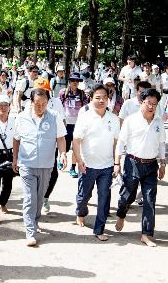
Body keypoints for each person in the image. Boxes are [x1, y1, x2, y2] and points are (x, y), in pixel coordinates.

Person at [12, 88, 68, 246]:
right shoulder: (22, 117)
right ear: (31, 102)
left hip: (46, 165)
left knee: (39, 197)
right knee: (30, 198)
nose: (41, 107)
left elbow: (61, 138)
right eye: (37, 104)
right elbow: (16, 139)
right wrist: (15, 158)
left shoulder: (54, 117)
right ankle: (30, 231)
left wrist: (63, 154)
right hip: (27, 164)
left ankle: (35, 221)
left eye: (44, 104)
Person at [113, 88, 166, 247]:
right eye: (148, 103)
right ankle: (121, 215)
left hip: (151, 165)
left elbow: (162, 144)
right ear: (141, 102)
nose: (151, 106)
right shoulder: (131, 120)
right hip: (133, 163)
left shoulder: (158, 122)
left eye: (154, 104)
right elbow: (121, 142)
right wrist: (117, 163)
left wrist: (163, 163)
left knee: (149, 199)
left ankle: (146, 234)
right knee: (127, 195)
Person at [73, 84, 120, 241]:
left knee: (104, 198)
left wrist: (117, 162)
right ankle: (81, 212)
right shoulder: (85, 117)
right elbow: (76, 140)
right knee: (83, 196)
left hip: (107, 166)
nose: (101, 101)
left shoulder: (113, 119)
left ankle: (99, 229)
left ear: (108, 99)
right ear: (91, 99)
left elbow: (117, 143)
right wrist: (79, 160)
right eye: (97, 98)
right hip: (87, 165)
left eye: (104, 98)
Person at [0, 94, 17, 224]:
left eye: (6, 105)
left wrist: (17, 156)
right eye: (1, 105)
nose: (4, 108)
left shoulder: (14, 121)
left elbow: (18, 139)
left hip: (9, 154)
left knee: (8, 184)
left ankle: (3, 202)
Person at [58, 72, 89, 178]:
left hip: (77, 124)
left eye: (77, 81)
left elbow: (86, 108)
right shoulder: (63, 92)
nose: (75, 82)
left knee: (76, 147)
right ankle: (61, 159)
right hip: (66, 124)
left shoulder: (82, 94)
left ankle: (72, 167)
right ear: (69, 81)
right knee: (65, 147)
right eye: (72, 80)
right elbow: (59, 106)